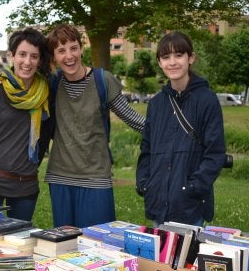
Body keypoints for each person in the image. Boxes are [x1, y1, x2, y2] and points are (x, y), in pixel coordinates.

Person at [44, 24, 145, 228]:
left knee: (98, 244)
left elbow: (132, 117)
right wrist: (0, 80)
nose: (69, 56)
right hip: (60, 176)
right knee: (65, 247)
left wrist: (170, 131)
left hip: (96, 176)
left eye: (73, 48)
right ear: (54, 56)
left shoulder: (102, 80)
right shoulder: (51, 83)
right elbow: (23, 87)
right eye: (61, 51)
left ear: (81, 49)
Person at [135, 31, 226, 227]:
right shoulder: (157, 103)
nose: (172, 62)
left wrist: (193, 188)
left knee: (188, 258)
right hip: (158, 202)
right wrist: (144, 184)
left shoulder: (207, 100)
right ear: (159, 62)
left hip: (190, 206)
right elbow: (147, 150)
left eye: (178, 55)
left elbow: (215, 153)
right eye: (166, 57)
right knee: (158, 258)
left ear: (190, 58)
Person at [0, 27, 51, 221]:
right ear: (11, 56)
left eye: (34, 56)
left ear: (40, 61)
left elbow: (46, 136)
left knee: (21, 245)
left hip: (27, 186)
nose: (27, 62)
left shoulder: (46, 93)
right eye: (22, 54)